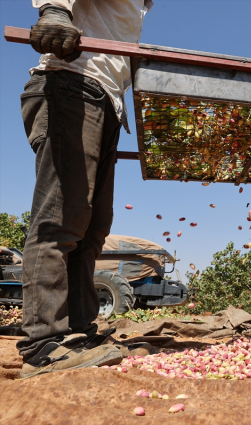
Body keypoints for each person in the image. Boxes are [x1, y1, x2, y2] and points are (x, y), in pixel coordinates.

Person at [18, 0, 155, 378]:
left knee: (93, 227)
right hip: (71, 84)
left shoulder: (139, 8)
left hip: (106, 101)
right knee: (61, 218)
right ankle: (43, 345)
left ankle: (78, 332)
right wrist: (55, 10)